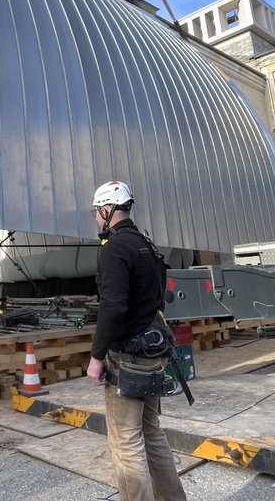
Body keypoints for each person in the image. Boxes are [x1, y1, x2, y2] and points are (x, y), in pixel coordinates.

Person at [86, 180, 187, 501]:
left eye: (96, 212)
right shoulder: (147, 245)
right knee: (150, 431)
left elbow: (113, 305)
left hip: (128, 358)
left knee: (126, 440)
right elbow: (162, 296)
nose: (96, 218)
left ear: (106, 209)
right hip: (153, 353)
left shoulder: (114, 248)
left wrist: (96, 356)